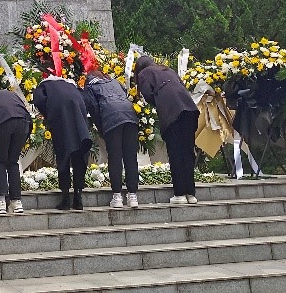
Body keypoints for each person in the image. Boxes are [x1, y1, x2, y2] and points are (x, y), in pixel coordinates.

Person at [134, 56, 199, 204]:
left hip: (172, 112)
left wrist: (159, 102)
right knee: (188, 152)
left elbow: (147, 94)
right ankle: (191, 193)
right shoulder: (168, 70)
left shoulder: (144, 73)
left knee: (175, 152)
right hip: (190, 109)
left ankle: (180, 194)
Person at [81, 70, 140, 208]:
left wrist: (102, 129)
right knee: (131, 157)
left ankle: (117, 196)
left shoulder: (90, 86)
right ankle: (133, 196)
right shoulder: (115, 81)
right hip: (130, 116)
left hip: (111, 118)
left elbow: (94, 109)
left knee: (115, 157)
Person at [33, 75, 92, 210]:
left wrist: (48, 114)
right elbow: (86, 98)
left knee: (63, 156)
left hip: (60, 118)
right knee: (79, 155)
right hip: (79, 117)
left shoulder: (44, 85)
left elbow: (39, 99)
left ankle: (65, 198)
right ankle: (78, 197)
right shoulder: (70, 85)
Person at [0, 88, 32, 215]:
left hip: (4, 122)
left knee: (0, 161)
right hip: (23, 123)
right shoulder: (13, 94)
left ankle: (1, 202)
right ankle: (16, 202)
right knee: (13, 162)